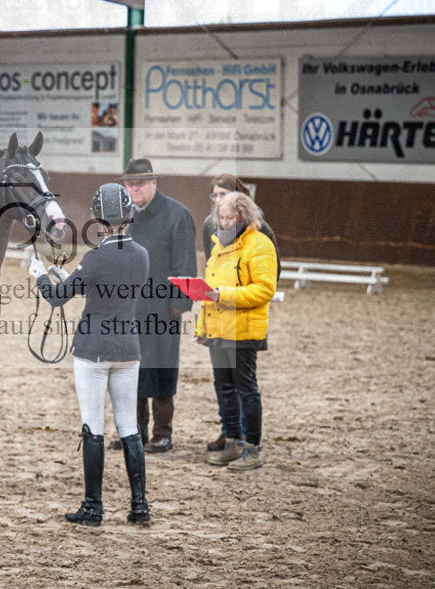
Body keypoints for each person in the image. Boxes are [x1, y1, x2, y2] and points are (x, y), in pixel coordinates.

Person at [29, 183, 151, 526]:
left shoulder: (95, 258)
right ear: (128, 215)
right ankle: (139, 506)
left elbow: (56, 298)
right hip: (128, 350)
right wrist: (69, 277)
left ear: (98, 217)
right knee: (130, 428)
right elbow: (103, 291)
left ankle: (93, 507)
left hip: (94, 351)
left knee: (93, 428)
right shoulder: (141, 254)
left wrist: (40, 276)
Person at [114, 158, 196, 453]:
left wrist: (179, 304)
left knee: (160, 367)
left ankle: (163, 432)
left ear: (154, 183)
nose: (134, 188)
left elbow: (185, 260)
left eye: (139, 183)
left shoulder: (177, 214)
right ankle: (134, 431)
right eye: (129, 183)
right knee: (128, 368)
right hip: (128, 307)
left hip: (163, 307)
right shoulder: (123, 216)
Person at [195, 192, 278, 471]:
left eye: (231, 217)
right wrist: (202, 327)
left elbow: (265, 289)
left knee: (246, 390)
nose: (225, 222)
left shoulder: (259, 244)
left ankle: (253, 449)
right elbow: (209, 291)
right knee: (224, 389)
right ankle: (232, 443)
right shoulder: (218, 246)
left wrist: (223, 295)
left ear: (243, 216)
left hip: (243, 331)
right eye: (222, 217)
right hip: (218, 330)